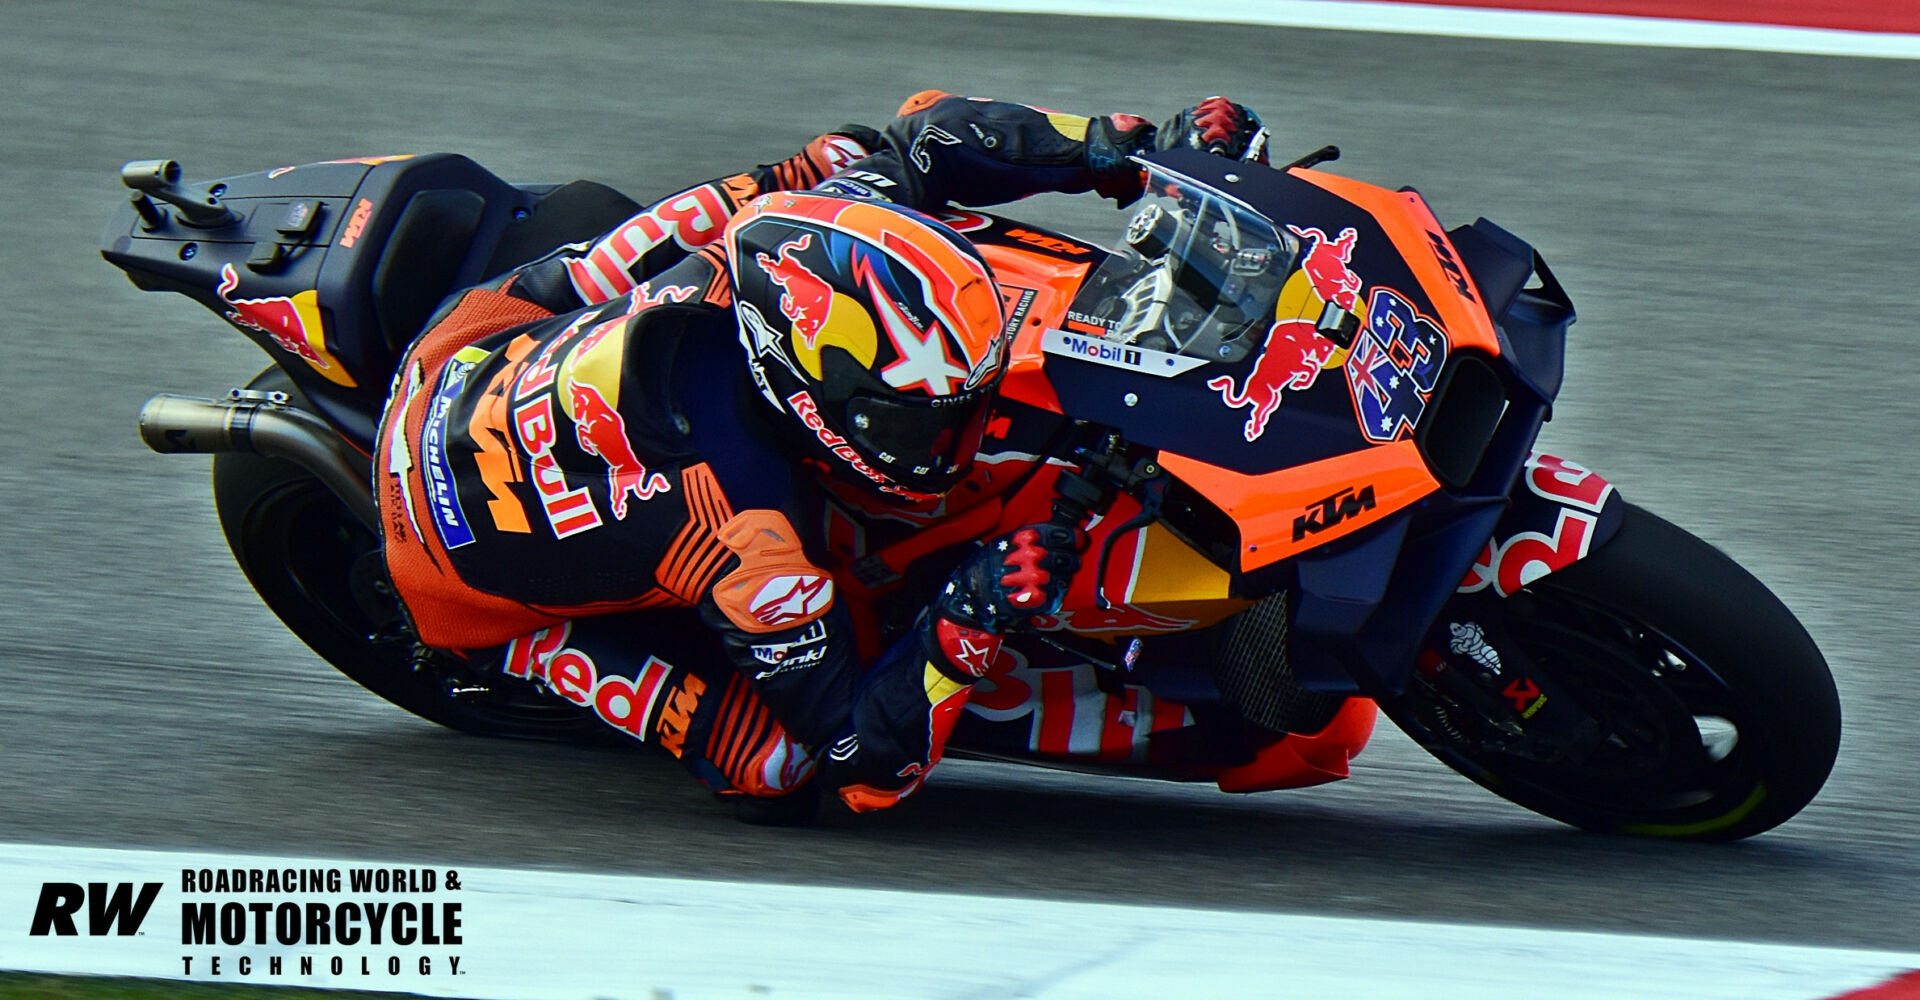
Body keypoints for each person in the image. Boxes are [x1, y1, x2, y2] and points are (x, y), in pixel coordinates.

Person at [373, 91, 1267, 819]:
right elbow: (863, 758)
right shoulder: (748, 546)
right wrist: (970, 609)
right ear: (805, 398)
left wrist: (1124, 151)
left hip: (472, 338)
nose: (949, 443)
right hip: (460, 576)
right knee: (775, 763)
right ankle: (519, 648)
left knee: (819, 168)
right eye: (923, 426)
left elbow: (926, 133)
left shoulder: (788, 241)